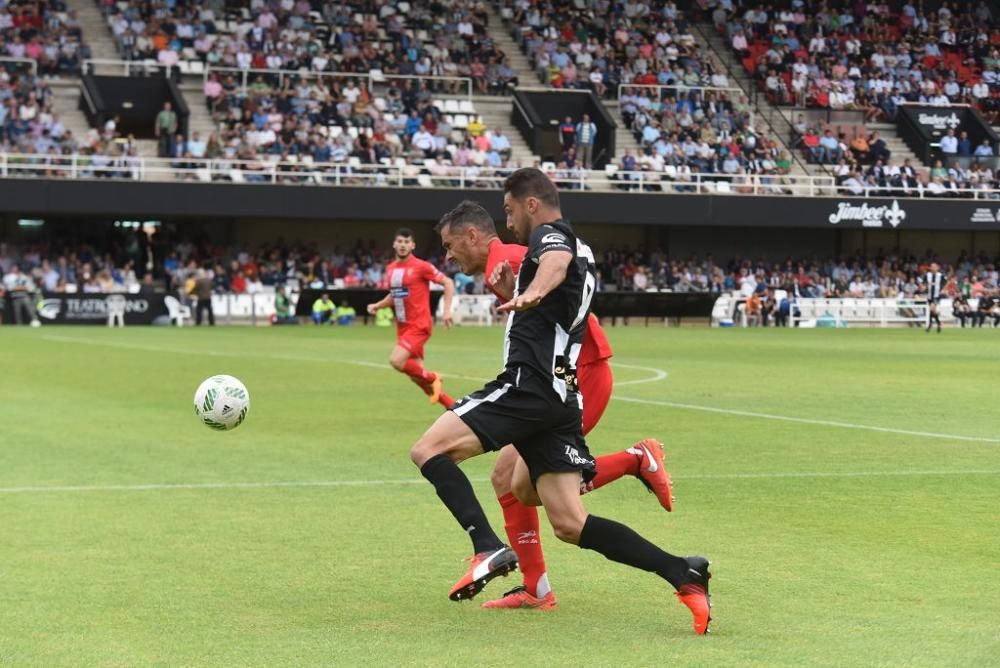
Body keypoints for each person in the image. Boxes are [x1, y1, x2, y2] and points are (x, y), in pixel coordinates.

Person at [409, 169, 711, 635]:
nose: (507, 221)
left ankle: (487, 547)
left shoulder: (548, 237)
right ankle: (683, 572)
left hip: (532, 385)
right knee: (565, 519)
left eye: (509, 210)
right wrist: (520, 292)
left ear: (531, 205)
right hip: (560, 393)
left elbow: (554, 262)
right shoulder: (578, 250)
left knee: (428, 450)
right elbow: (559, 294)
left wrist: (529, 290)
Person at [435, 200, 675, 610]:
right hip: (560, 377)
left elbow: (561, 278)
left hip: (576, 377)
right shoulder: (504, 262)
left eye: (449, 245)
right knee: (512, 482)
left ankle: (635, 461)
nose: (447, 256)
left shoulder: (509, 255)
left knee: (531, 486)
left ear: (471, 236)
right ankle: (537, 587)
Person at [366, 229, 456, 407]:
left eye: (407, 242)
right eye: (400, 241)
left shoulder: (421, 266)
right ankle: (451, 406)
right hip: (403, 327)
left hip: (419, 325)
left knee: (396, 361)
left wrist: (446, 311)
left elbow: (448, 282)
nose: (403, 245)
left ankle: (434, 377)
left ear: (413, 245)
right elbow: (396, 295)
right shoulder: (391, 269)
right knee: (415, 376)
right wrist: (378, 305)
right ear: (394, 244)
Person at [923, 262, 944, 333]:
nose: (933, 268)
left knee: (931, 308)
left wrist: (943, 290)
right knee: (932, 310)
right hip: (929, 295)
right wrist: (924, 287)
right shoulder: (927, 275)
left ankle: (930, 325)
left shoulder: (940, 275)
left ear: (937, 268)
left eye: (934, 267)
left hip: (936, 295)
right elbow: (924, 283)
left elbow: (946, 283)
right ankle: (938, 323)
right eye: (932, 266)